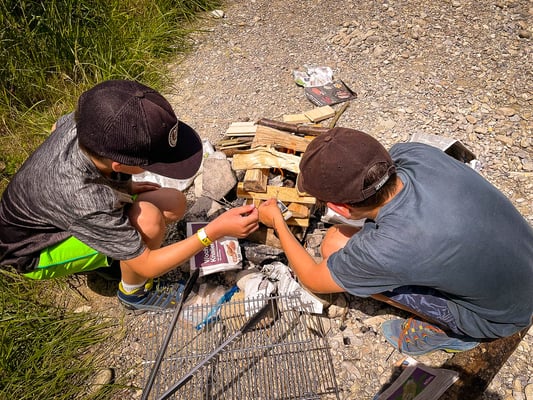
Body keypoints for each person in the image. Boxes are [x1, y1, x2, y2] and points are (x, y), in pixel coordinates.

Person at [258, 127, 533, 356]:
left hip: (500, 318)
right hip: (523, 258)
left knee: (332, 246)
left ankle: (457, 332)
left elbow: (313, 279)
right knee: (340, 241)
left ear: (339, 208)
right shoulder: (416, 154)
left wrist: (278, 223)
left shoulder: (387, 248)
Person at [0, 79, 259, 311]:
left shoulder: (93, 120)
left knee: (173, 202)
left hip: (69, 205)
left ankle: (116, 255)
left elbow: (56, 125)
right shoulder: (84, 197)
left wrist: (126, 187)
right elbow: (148, 265)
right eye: (153, 163)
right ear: (119, 164)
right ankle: (133, 293)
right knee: (149, 220)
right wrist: (213, 231)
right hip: (33, 250)